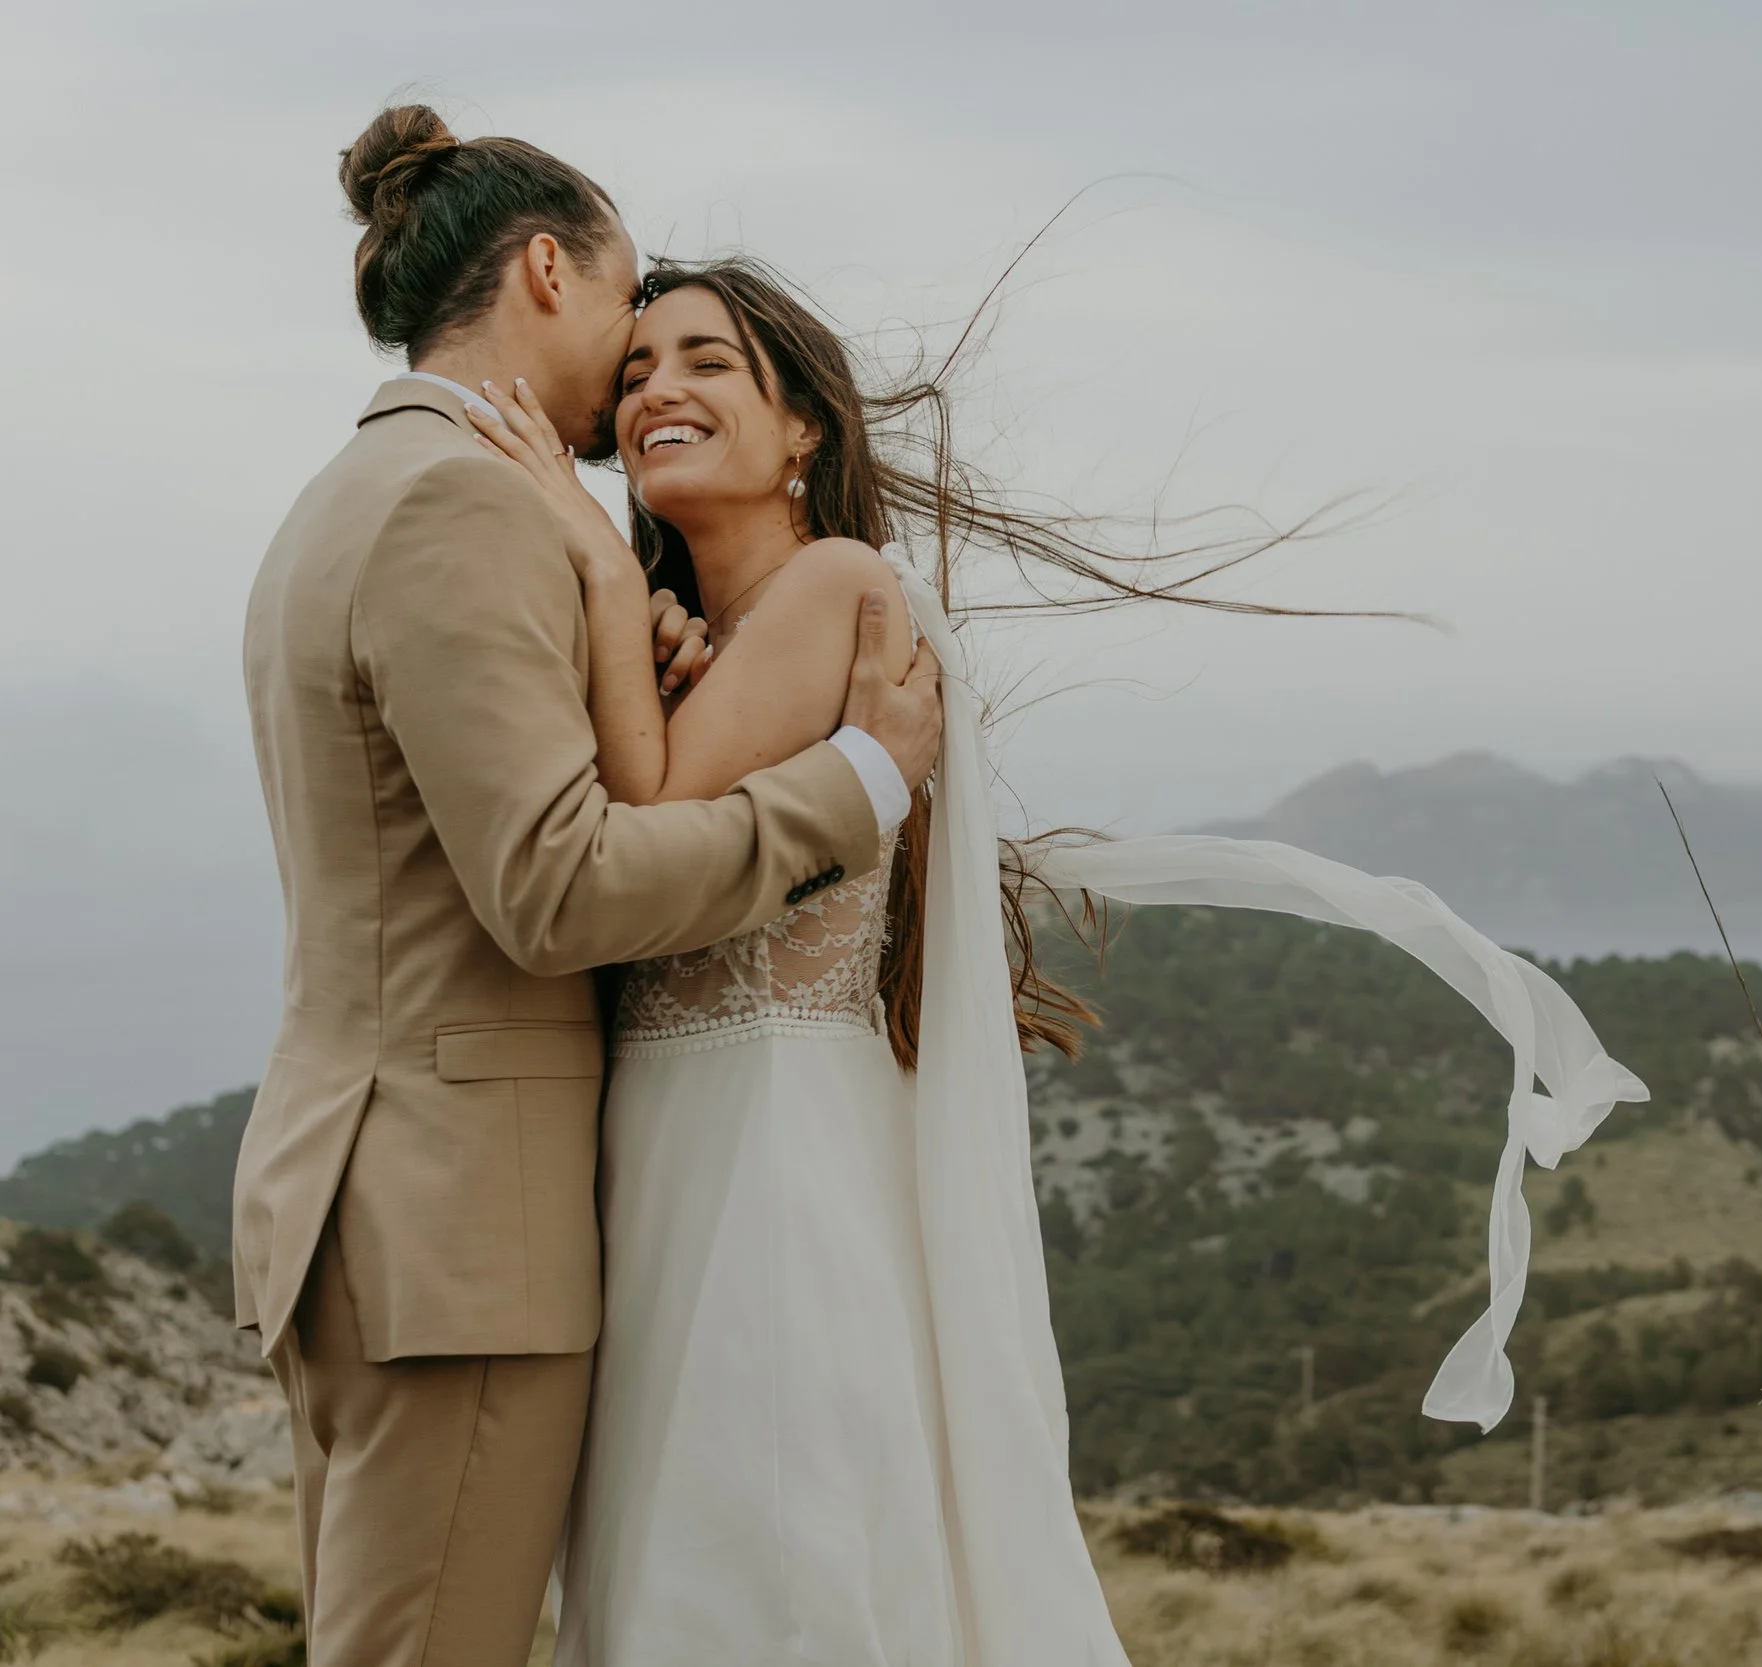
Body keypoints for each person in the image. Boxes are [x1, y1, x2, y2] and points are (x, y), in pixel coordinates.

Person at [468, 250, 1649, 1663]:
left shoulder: (836, 582)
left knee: (765, 1555)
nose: (661, 385)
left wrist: (597, 563)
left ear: (804, 433)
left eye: (710, 361)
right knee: (681, 1566)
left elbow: (646, 827)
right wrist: (639, 632)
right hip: (663, 1152)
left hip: (772, 1156)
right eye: (642, 366)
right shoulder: (703, 640)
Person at [233, 106, 941, 1667]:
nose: (642, 365)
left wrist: (639, 656)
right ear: (549, 270)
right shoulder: (465, 501)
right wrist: (858, 786)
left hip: (382, 1204)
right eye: (632, 316)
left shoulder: (352, 492)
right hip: (458, 1232)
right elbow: (554, 887)